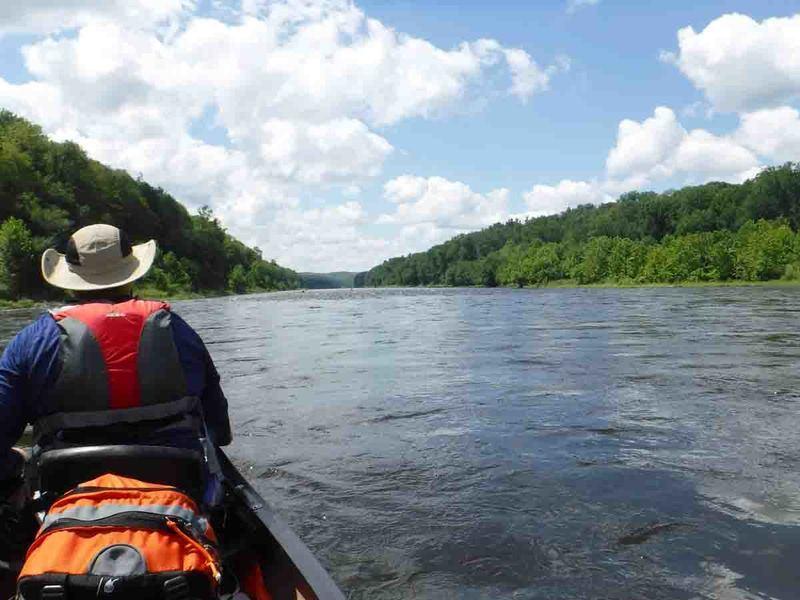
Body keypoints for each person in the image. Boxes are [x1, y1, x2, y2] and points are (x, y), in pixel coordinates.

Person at [0, 224, 232, 502]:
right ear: (131, 274)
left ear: (70, 279)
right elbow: (220, 430)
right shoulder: (179, 331)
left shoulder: (31, 341)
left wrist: (15, 464)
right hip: (180, 488)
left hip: (65, 492)